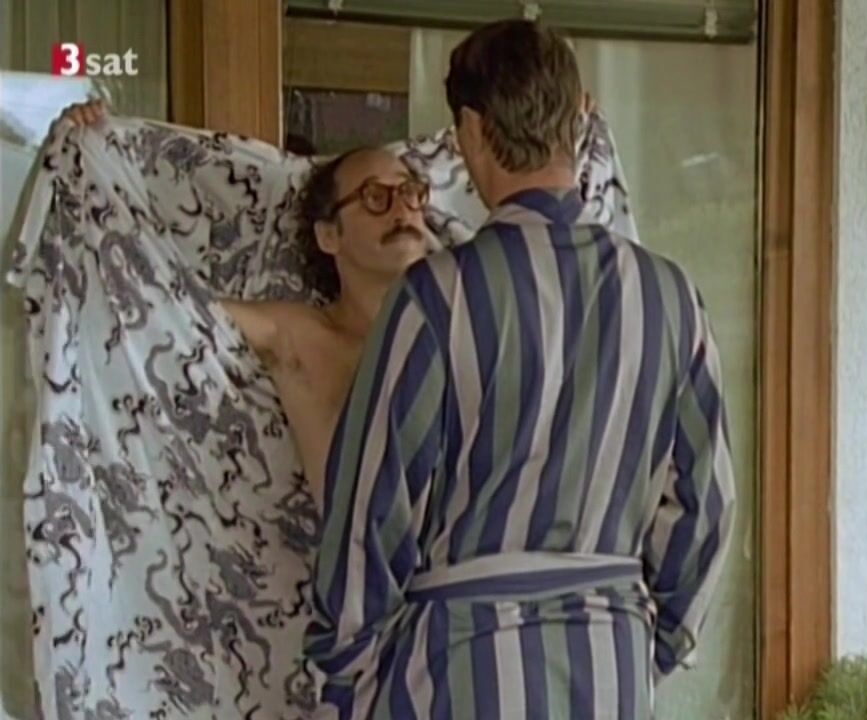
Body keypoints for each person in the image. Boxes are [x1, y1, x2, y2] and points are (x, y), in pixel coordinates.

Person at [305, 19, 735, 719]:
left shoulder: (436, 297)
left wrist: (346, 684)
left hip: (461, 667)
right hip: (612, 666)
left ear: (473, 130)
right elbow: (705, 508)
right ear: (579, 119)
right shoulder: (670, 296)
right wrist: (646, 644)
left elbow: (371, 517)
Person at [62, 100, 432, 499]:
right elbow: (159, 307)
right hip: (361, 539)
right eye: (375, 196)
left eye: (410, 192)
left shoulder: (461, 326)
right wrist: (82, 160)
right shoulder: (297, 335)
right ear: (329, 235)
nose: (402, 210)